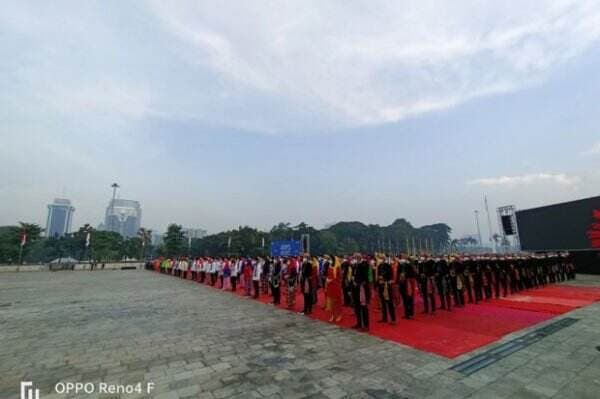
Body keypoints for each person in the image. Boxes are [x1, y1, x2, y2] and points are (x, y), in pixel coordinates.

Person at [352, 255, 371, 331]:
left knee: (363, 307)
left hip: (362, 288)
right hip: (356, 288)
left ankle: (366, 325)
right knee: (357, 307)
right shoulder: (355, 265)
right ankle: (359, 323)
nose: (355, 258)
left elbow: (365, 278)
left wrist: (359, 283)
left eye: (357, 257)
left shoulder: (364, 264)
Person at [377, 257, 396, 324]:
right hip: (381, 285)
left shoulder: (388, 266)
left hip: (387, 285)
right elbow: (378, 275)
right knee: (383, 303)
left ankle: (393, 319)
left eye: (381, 258)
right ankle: (384, 318)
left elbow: (391, 275)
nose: (380, 260)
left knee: (389, 302)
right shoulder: (379, 266)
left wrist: (384, 278)